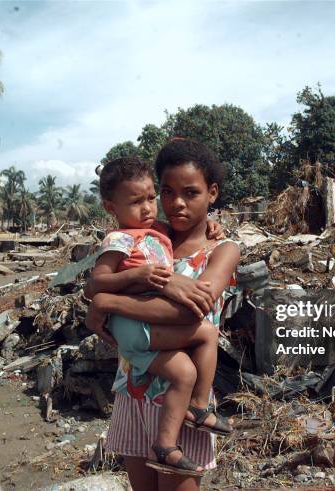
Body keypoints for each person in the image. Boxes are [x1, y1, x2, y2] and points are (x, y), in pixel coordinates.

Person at [85, 139, 239, 489]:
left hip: (183, 403)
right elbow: (93, 286)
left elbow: (192, 311)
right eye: (167, 192)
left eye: (191, 192)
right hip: (133, 387)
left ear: (212, 193)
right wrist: (107, 294)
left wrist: (109, 304)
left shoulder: (223, 250)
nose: (176, 203)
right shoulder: (151, 237)